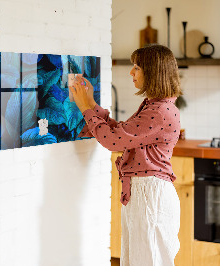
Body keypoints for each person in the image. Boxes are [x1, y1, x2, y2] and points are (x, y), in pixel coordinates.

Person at [70, 44, 182, 266]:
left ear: (153, 72)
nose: (131, 72)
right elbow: (121, 133)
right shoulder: (155, 106)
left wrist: (85, 108)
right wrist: (91, 103)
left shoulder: (159, 111)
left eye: (137, 67)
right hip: (145, 193)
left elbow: (113, 141)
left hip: (150, 195)